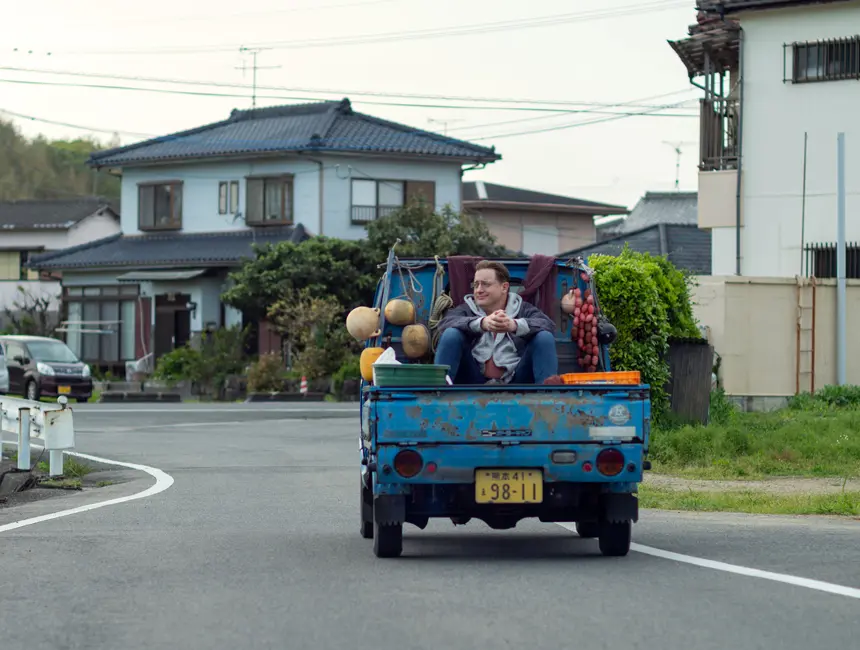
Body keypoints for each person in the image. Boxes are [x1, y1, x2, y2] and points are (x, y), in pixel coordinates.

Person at [434, 260, 560, 385]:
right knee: (451, 334)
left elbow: (547, 325)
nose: (478, 290)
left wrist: (513, 325)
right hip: (472, 378)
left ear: (504, 287)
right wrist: (482, 323)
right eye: (476, 284)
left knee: (544, 337)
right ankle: (437, 393)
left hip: (517, 380)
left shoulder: (524, 309)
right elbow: (444, 324)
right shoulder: (465, 309)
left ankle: (547, 396)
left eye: (485, 284)